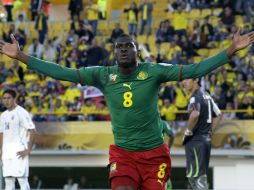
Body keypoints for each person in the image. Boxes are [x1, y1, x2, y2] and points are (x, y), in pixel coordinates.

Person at [0, 29, 253, 189]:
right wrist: (22, 57)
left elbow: (195, 70)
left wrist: (230, 50)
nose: (122, 49)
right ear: (113, 54)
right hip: (123, 155)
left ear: (136, 51)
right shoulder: (102, 75)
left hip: (155, 156)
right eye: (118, 47)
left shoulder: (153, 71)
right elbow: (62, 72)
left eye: (127, 46)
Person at [182, 78, 222, 190]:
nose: (183, 82)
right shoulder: (207, 95)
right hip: (205, 140)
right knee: (194, 177)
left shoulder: (195, 97)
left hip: (196, 141)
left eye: (186, 79)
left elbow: (194, 114)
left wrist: (187, 132)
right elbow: (218, 114)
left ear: (196, 80)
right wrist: (210, 131)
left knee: (197, 179)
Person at [0, 89, 36, 190]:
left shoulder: (21, 112)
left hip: (19, 150)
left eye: (9, 98)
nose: (6, 101)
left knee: (22, 180)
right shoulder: (3, 115)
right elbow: (2, 133)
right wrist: (2, 151)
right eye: (4, 98)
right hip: (7, 152)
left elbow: (32, 130)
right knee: (8, 181)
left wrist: (28, 149)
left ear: (14, 99)